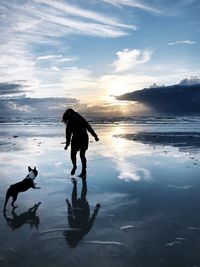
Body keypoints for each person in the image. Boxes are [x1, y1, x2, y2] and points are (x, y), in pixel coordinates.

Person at [62, 108, 99, 177]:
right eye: (68, 117)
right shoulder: (69, 123)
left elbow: (88, 127)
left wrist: (95, 136)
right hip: (76, 139)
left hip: (83, 138)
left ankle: (83, 171)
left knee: (82, 155)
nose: (69, 119)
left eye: (70, 116)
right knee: (73, 154)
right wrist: (67, 144)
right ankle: (75, 166)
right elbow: (68, 134)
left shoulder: (80, 119)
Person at [64, 178, 100, 247]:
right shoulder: (84, 231)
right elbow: (91, 220)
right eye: (69, 238)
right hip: (84, 211)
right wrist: (96, 209)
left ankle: (75, 184)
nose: (67, 235)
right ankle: (83, 181)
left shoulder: (72, 228)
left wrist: (69, 205)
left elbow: (70, 215)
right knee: (83, 197)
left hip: (77, 211)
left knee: (75, 199)